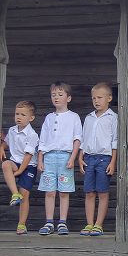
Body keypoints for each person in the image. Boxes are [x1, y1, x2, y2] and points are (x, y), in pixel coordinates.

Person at [37, 81, 82, 236]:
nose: (56, 98)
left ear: (68, 98)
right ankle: (49, 222)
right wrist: (40, 159)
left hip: (65, 157)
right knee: (49, 191)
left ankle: (62, 222)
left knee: (64, 191)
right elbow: (42, 140)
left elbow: (77, 139)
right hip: (49, 157)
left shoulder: (74, 117)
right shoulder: (49, 118)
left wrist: (73, 158)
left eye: (60, 95)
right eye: (53, 95)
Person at [79, 82, 118, 237]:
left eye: (100, 97)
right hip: (88, 157)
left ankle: (98, 225)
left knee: (102, 192)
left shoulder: (113, 117)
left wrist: (113, 161)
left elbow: (115, 141)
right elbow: (84, 139)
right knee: (89, 192)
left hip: (104, 158)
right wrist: (80, 157)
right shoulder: (89, 118)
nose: (96, 101)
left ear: (109, 98)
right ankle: (89, 223)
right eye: (94, 98)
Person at [0, 100, 40, 235]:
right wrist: (1, 148)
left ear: (31, 118)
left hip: (28, 166)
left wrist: (21, 170)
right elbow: (6, 144)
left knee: (25, 195)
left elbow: (28, 155)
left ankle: (21, 224)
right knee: (5, 164)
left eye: (23, 115)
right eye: (17, 114)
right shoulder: (11, 130)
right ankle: (14, 193)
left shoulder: (32, 135)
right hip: (15, 162)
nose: (19, 117)